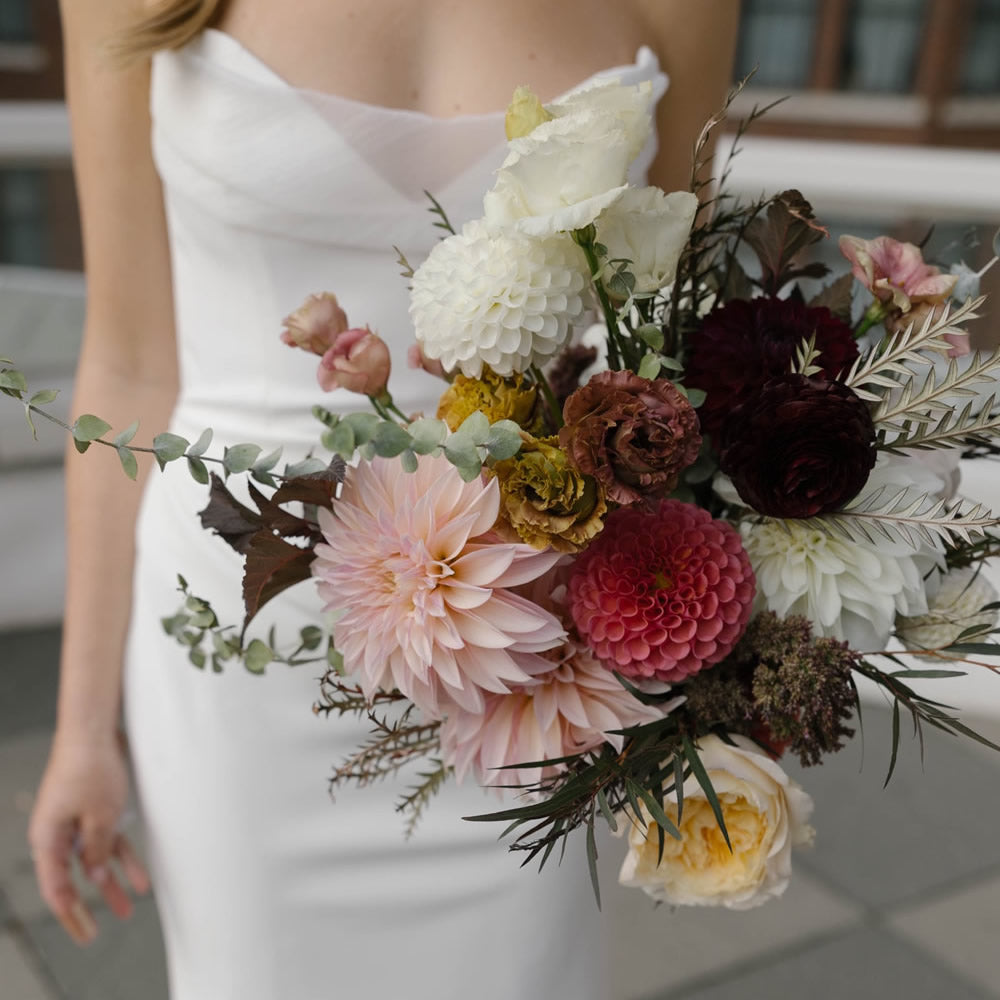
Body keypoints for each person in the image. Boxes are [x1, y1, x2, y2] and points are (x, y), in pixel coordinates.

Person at [29, 1, 740, 996]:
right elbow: (131, 364)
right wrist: (80, 730)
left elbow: (671, 348)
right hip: (244, 648)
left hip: (532, 662)